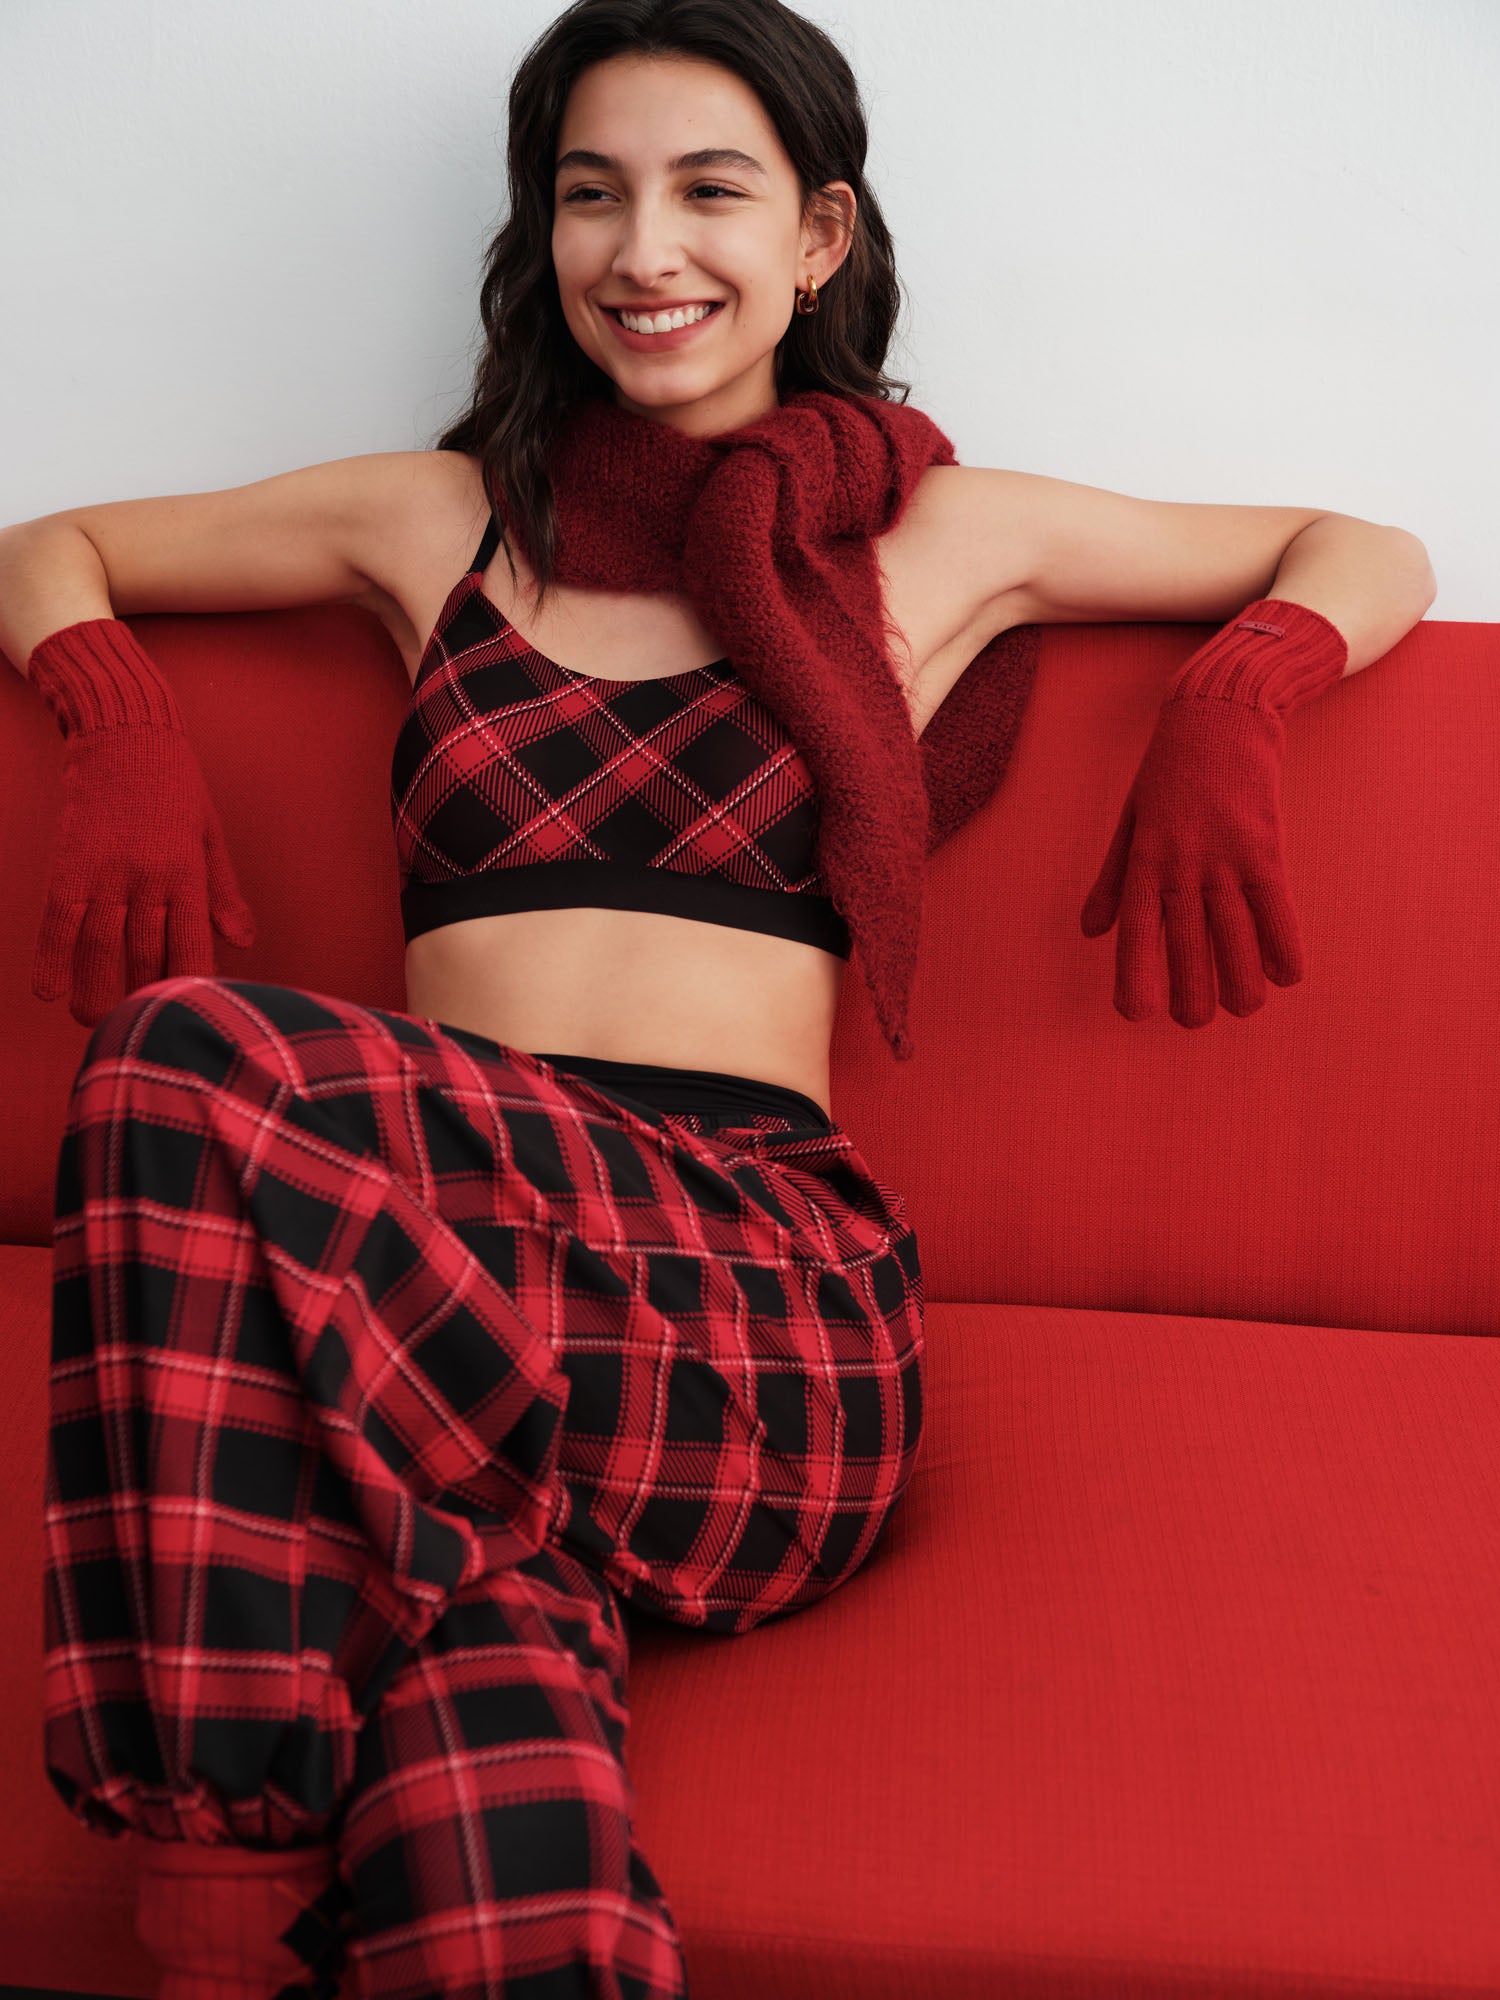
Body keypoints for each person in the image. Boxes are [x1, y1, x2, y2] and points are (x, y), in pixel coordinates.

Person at [6, 0, 1419, 1994]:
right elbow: (45, 542)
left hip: (756, 1320)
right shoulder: (438, 522)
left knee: (182, 1057)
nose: (643, 249)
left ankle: (211, 1910)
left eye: (709, 190)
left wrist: (1242, 691)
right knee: (475, 1672)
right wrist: (119, 715)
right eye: (590, 194)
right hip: (454, 1328)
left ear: (822, 237)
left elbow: (1355, 539)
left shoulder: (933, 541)